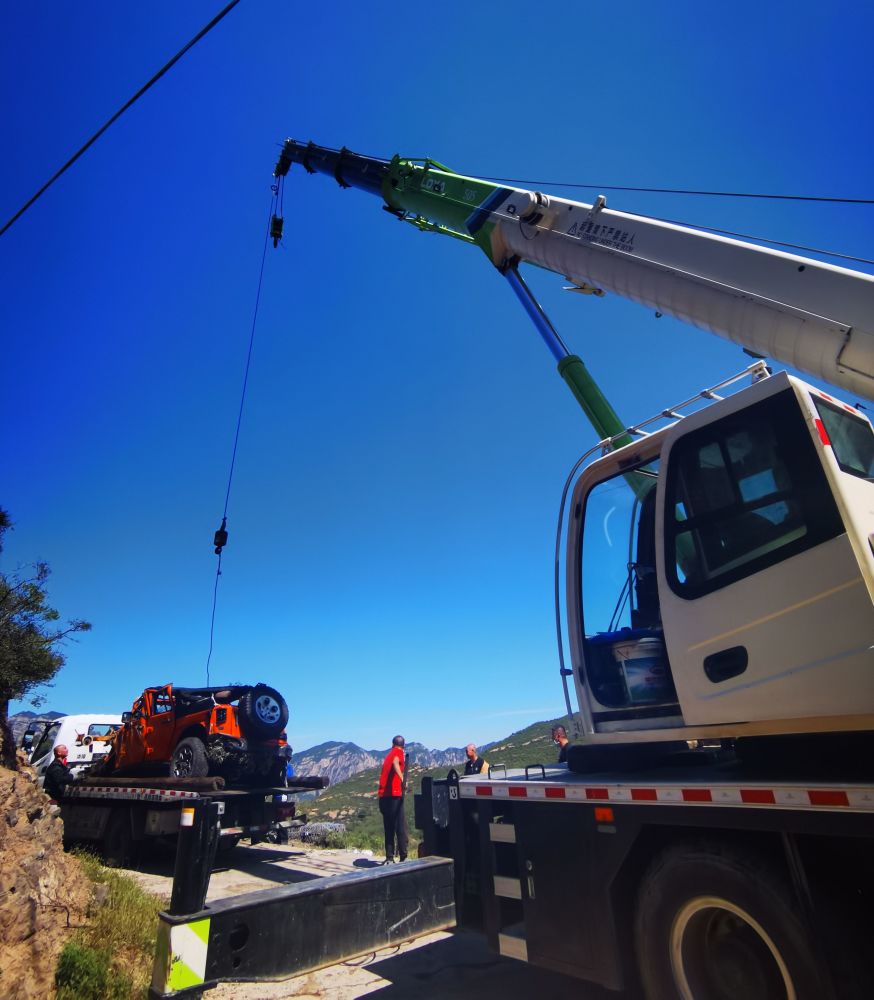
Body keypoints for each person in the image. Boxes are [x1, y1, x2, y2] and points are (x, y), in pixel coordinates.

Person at [377, 735, 408, 863]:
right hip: (394, 796)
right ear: (403, 745)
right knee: (401, 827)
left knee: (389, 827)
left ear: (392, 744)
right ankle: (403, 857)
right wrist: (403, 781)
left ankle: (389, 857)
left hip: (383, 797)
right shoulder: (398, 752)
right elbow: (396, 762)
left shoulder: (388, 755)